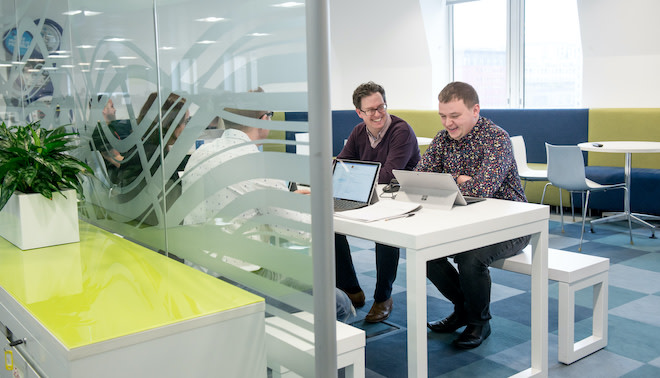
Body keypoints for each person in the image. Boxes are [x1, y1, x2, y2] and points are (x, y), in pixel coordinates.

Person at [182, 95, 353, 322]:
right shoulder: (257, 164)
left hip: (198, 271)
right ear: (263, 121)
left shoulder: (202, 153)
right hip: (233, 282)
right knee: (339, 302)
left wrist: (285, 197)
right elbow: (298, 233)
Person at [415, 81, 531, 349]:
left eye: (455, 116)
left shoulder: (497, 139)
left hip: (513, 224)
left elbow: (483, 188)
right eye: (443, 116)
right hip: (466, 221)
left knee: (470, 258)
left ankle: (479, 322)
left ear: (475, 110)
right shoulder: (442, 139)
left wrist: (447, 179)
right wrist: (460, 178)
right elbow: (419, 176)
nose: (448, 123)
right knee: (426, 255)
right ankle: (463, 309)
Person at [335, 81, 420, 323]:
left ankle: (383, 297)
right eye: (370, 110)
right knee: (330, 225)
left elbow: (388, 175)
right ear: (359, 113)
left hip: (401, 199)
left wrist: (353, 178)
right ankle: (352, 290)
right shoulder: (358, 132)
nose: (378, 113)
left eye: (381, 106)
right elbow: (341, 166)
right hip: (369, 195)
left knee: (386, 230)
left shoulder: (401, 131)